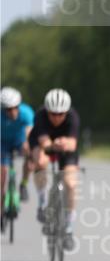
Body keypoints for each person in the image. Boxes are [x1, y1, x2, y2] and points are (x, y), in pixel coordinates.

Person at [29, 88, 80, 240]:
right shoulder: (40, 116)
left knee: (70, 183)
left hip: (65, 148)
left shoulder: (73, 117)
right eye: (53, 114)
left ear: (67, 112)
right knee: (40, 162)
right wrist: (55, 144)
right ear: (47, 111)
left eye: (61, 114)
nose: (57, 117)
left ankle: (69, 224)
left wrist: (64, 143)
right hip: (43, 143)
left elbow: (72, 144)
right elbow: (44, 143)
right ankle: (42, 200)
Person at [1, 87, 33, 209]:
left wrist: (28, 146)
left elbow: (29, 132)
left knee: (29, 152)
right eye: (9, 109)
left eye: (16, 107)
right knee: (3, 171)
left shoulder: (26, 112)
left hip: (19, 141)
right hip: (2, 143)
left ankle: (23, 184)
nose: (13, 112)